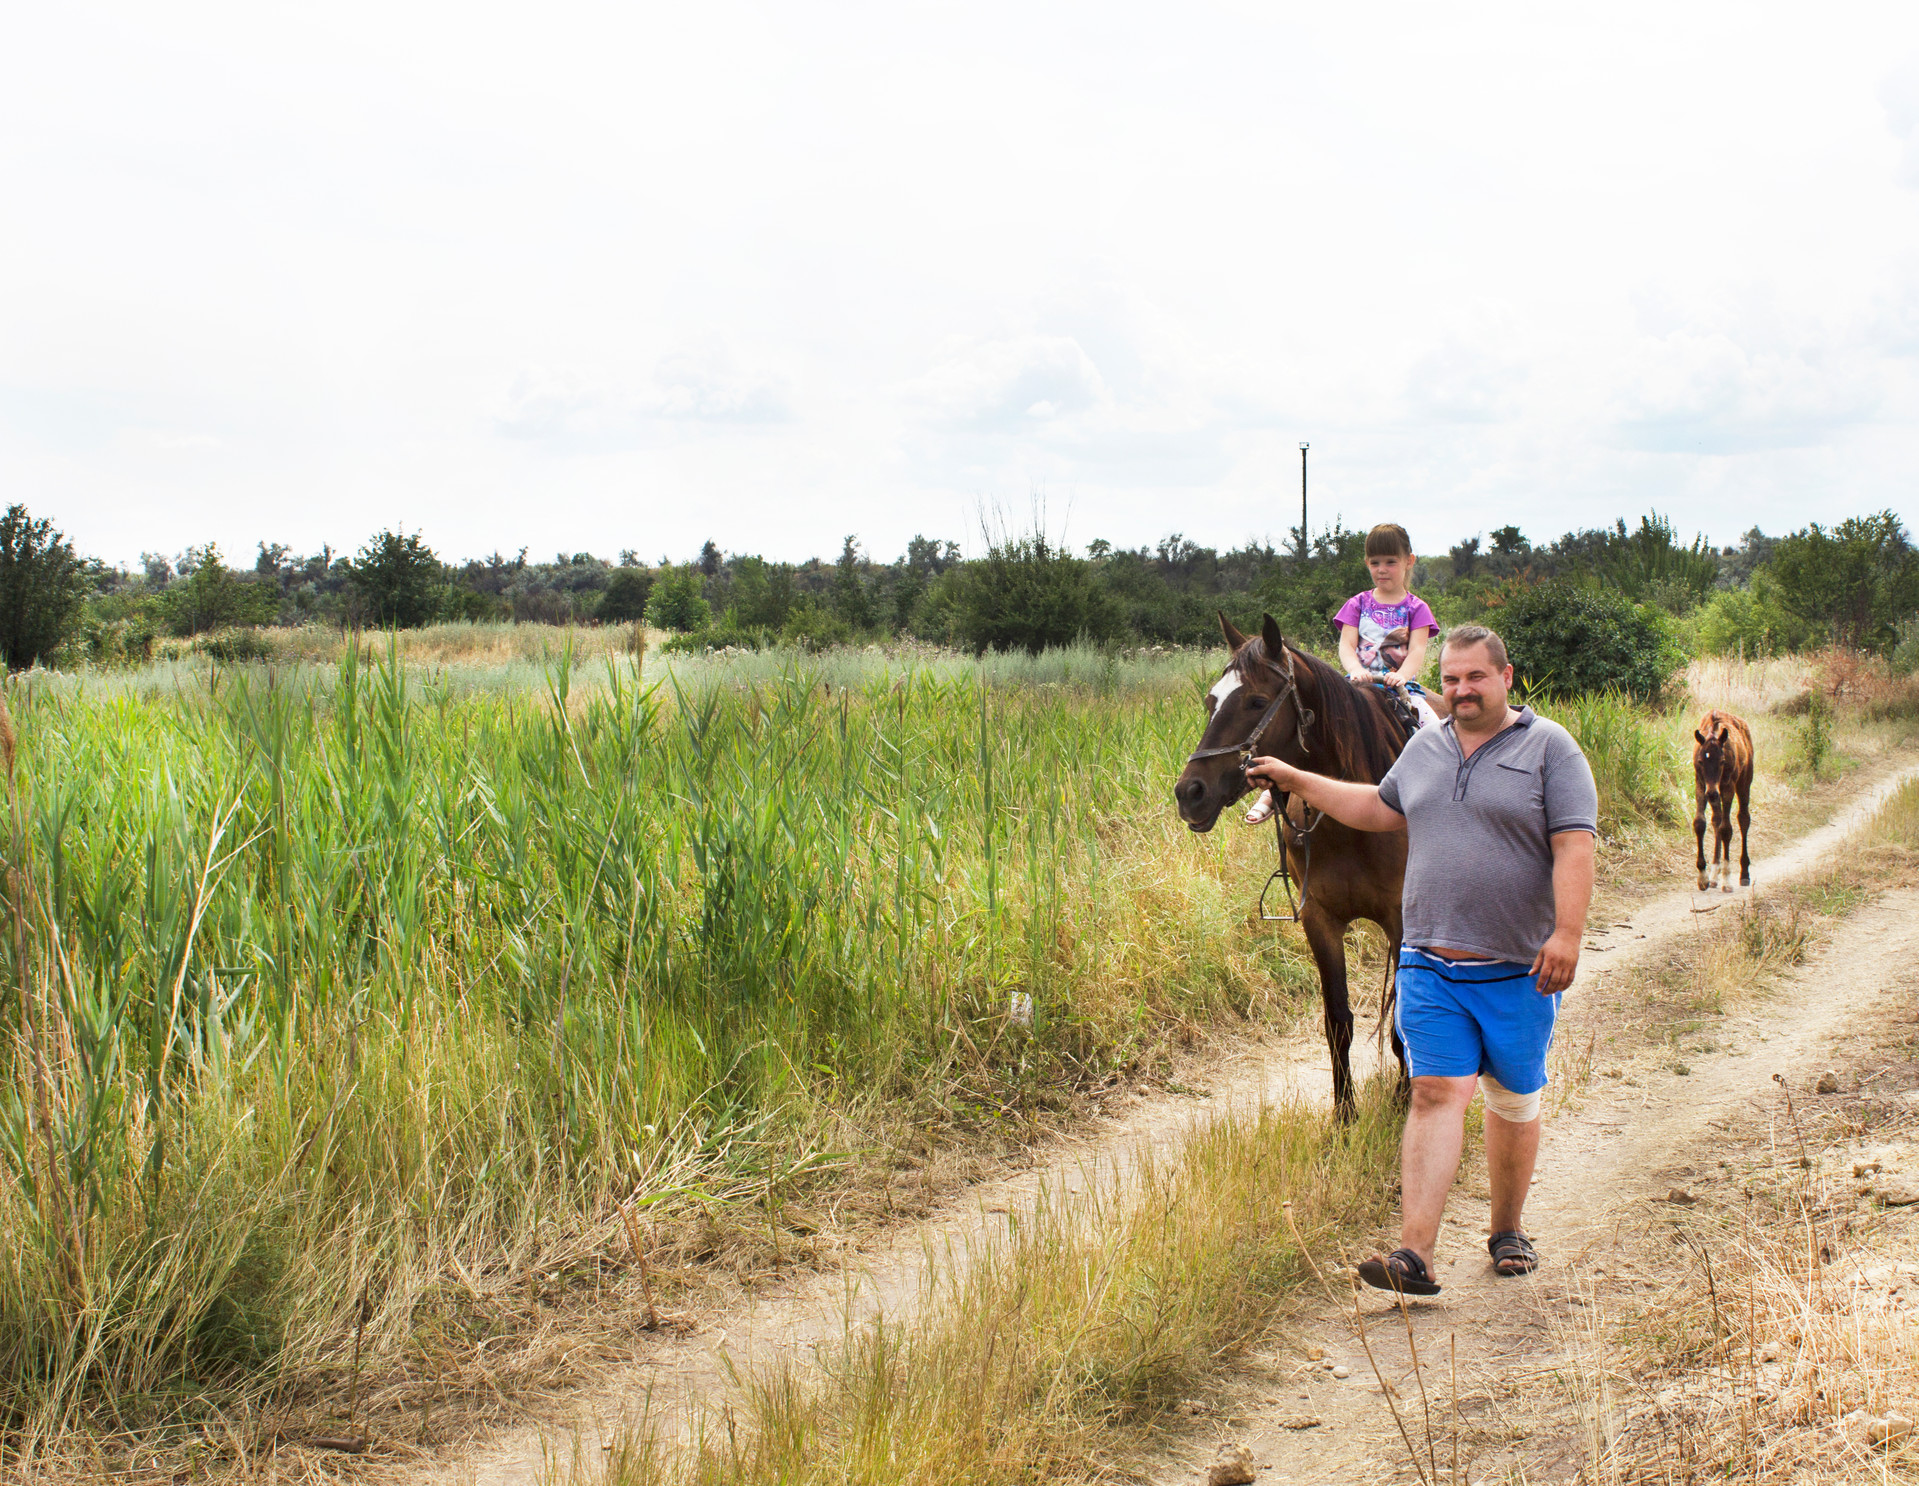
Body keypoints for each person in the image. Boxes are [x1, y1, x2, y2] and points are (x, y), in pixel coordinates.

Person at [1244, 625, 1597, 1293]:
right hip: (1429, 962)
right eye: (1454, 679)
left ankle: (1505, 1228)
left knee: (1512, 1100)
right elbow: (1376, 809)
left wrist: (1567, 933)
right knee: (1434, 1095)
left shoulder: (1550, 749)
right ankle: (1414, 1256)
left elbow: (1574, 845)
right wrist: (1294, 779)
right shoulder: (1425, 746)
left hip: (1516, 966)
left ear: (1505, 677)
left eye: (1475, 678)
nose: (1461, 690)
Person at [1245, 522, 1443, 826]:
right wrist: (1356, 672)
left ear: (1408, 561)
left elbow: (1416, 650)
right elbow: (1347, 647)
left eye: (1391, 562)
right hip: (1357, 685)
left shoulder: (1417, 608)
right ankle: (1274, 793)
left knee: (1435, 729)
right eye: (1375, 563)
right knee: (1310, 730)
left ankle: (1440, 790)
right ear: (1367, 564)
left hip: (1399, 686)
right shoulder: (1358, 604)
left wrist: (1401, 675)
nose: (1382, 569)